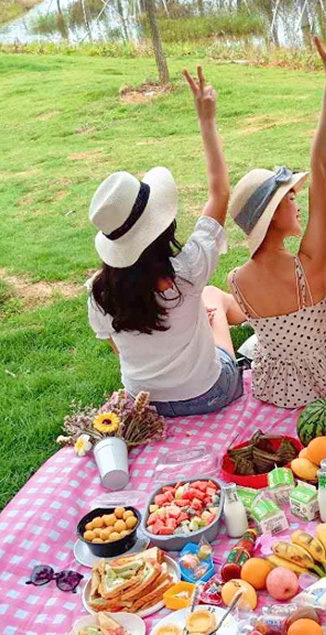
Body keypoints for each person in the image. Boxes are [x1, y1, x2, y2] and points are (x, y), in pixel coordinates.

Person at [87, 67, 246, 418]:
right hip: (208, 393)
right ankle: (260, 318)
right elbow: (220, 191)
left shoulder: (99, 293)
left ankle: (231, 321)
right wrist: (206, 120)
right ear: (163, 227)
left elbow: (121, 350)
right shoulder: (188, 270)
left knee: (202, 303)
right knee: (212, 298)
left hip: (145, 404)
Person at [227, 33, 326, 409]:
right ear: (272, 217)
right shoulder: (309, 265)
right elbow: (321, 165)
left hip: (279, 387)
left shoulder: (235, 280)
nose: (297, 203)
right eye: (289, 198)